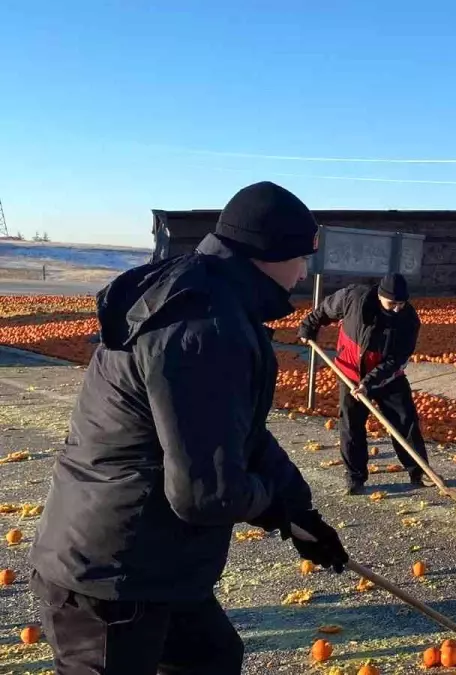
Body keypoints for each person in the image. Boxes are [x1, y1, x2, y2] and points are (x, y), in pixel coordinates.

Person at [28, 182, 349, 675]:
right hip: (112, 575)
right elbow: (204, 493)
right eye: (301, 257)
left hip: (156, 564)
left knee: (211, 659)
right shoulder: (203, 327)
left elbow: (237, 432)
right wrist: (268, 503)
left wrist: (296, 509)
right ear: (267, 253)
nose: (306, 271)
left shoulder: (211, 301)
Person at [297, 272, 431, 495]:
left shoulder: (409, 320)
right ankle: (355, 476)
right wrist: (308, 326)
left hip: (387, 377)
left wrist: (368, 384)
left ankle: (419, 471)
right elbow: (325, 309)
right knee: (351, 424)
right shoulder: (353, 298)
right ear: (380, 296)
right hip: (350, 372)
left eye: (402, 303)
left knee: (404, 419)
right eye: (392, 303)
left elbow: (395, 360)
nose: (397, 308)